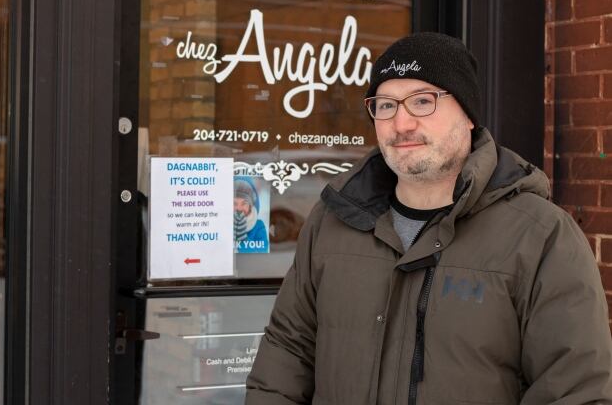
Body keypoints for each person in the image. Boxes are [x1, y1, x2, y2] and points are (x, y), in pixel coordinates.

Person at [245, 32, 612, 404]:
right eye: (385, 105)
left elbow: (574, 392)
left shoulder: (540, 236)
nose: (401, 123)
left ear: (468, 115)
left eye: (423, 101)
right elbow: (285, 359)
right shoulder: (333, 221)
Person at [234, 177, 269, 253]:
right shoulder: (223, 227)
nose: (239, 209)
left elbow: (262, 252)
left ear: (250, 205)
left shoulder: (259, 226)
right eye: (235, 204)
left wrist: (242, 238)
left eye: (244, 203)